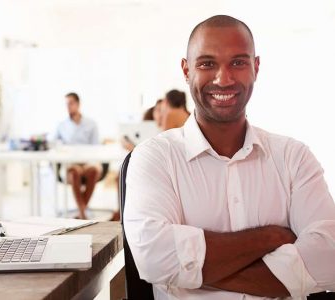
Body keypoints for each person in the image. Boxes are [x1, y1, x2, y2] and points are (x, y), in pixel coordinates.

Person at [124, 15, 335, 299]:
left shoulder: (293, 157)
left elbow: (328, 258)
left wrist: (189, 273)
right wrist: (272, 237)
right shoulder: (154, 158)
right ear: (186, 71)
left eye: (238, 62)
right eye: (207, 64)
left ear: (256, 67)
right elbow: (154, 258)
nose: (223, 79)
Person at [54, 92, 101, 219]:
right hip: (70, 163)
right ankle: (83, 213)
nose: (68, 107)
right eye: (66, 104)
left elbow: (96, 147)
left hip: (88, 161)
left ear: (78, 104)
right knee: (74, 171)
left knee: (93, 171)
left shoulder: (91, 124)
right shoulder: (61, 126)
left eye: (71, 103)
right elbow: (56, 146)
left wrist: (86, 164)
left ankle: (81, 211)